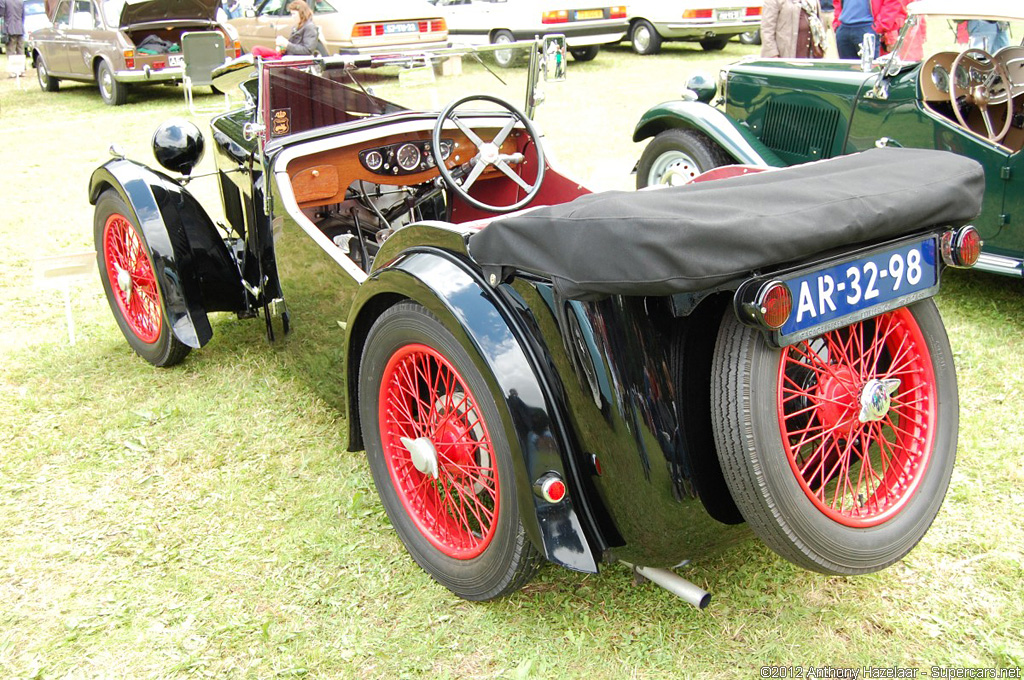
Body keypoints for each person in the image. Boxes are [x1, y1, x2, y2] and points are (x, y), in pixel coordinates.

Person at [833, 0, 906, 59]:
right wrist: (838, 24)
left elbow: (892, 3)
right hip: (844, 28)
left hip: (867, 28)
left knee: (870, 72)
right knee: (847, 72)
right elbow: (837, 2)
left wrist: (879, 26)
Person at [251, 0, 317, 60]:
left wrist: (287, 44)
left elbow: (307, 50)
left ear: (301, 13)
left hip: (293, 59)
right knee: (256, 49)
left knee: (264, 60)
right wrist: (282, 48)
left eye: (294, 14)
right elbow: (292, 45)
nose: (292, 17)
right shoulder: (297, 26)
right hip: (286, 55)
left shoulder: (309, 27)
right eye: (291, 14)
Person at [760, 0, 827, 59]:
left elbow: (820, 25)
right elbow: (767, 30)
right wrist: (773, 55)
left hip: (810, 57)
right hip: (785, 58)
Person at [0, 0, 25, 72]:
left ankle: (13, 71)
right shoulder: (20, 1)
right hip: (20, 28)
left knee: (11, 51)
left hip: (9, 29)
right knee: (20, 50)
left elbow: (1, 13)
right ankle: (21, 70)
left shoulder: (4, 1)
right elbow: (23, 16)